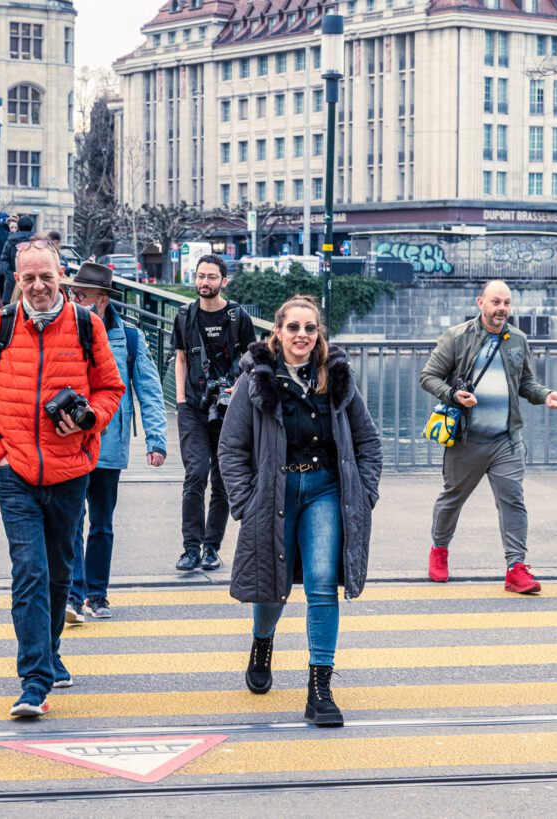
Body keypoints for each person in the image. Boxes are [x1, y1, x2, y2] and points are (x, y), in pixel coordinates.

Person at [0, 243, 125, 717]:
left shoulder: (88, 326)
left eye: (46, 276)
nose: (38, 286)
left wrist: (89, 421)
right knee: (29, 571)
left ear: (61, 276)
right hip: (16, 474)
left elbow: (111, 388)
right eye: (28, 278)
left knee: (58, 573)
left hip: (70, 472)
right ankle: (34, 681)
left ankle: (48, 655)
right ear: (17, 280)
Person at [218, 295, 382, 726]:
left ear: (318, 334)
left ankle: (320, 689)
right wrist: (245, 503)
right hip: (274, 493)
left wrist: (363, 496)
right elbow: (231, 448)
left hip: (325, 490)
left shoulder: (338, 378)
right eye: (293, 328)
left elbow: (368, 443)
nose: (302, 336)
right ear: (278, 332)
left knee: (323, 583)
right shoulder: (258, 378)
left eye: (310, 329)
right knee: (272, 587)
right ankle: (262, 642)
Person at [419, 280, 557, 594]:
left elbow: (527, 384)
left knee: (513, 501)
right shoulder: (457, 337)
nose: (501, 309)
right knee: (452, 498)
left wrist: (546, 395)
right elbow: (428, 376)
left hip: (506, 439)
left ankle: (516, 568)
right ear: (480, 302)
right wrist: (453, 396)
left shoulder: (518, 340)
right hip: (467, 439)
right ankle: (440, 549)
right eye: (495, 302)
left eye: (506, 303)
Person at [64, 262, 168, 622]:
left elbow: (150, 391)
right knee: (73, 520)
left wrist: (157, 440)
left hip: (109, 444)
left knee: (102, 522)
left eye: (83, 295)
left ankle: (97, 593)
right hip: (72, 442)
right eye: (72, 294)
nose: (74, 300)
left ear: (103, 299)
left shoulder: (131, 338)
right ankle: (74, 595)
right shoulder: (65, 330)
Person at [171, 254, 257, 573]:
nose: (204, 282)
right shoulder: (184, 316)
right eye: (200, 276)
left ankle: (211, 548)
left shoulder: (237, 317)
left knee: (221, 480)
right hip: (193, 407)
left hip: (230, 409)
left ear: (224, 281)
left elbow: (253, 359)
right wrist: (180, 400)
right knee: (195, 474)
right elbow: (180, 359)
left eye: (210, 277)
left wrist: (238, 389)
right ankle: (190, 548)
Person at [0, 215, 36, 303]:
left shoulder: (10, 241)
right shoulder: (37, 242)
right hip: (32, 284)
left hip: (11, 284)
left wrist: (11, 278)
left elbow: (4, 260)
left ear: (18, 226)